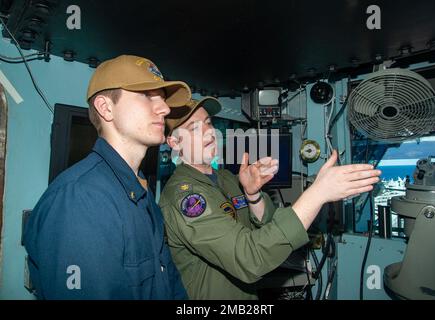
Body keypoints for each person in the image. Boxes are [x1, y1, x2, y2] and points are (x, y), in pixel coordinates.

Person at [159, 97, 381, 299]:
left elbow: (267, 227)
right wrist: (317, 194)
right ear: (174, 143)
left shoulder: (226, 178)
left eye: (208, 122)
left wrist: (252, 194)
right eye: (193, 128)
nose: (208, 131)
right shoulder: (184, 196)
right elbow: (249, 258)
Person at [24, 55, 191, 299]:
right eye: (147, 96)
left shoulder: (142, 195)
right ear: (105, 107)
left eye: (163, 99)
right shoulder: (80, 200)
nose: (165, 109)